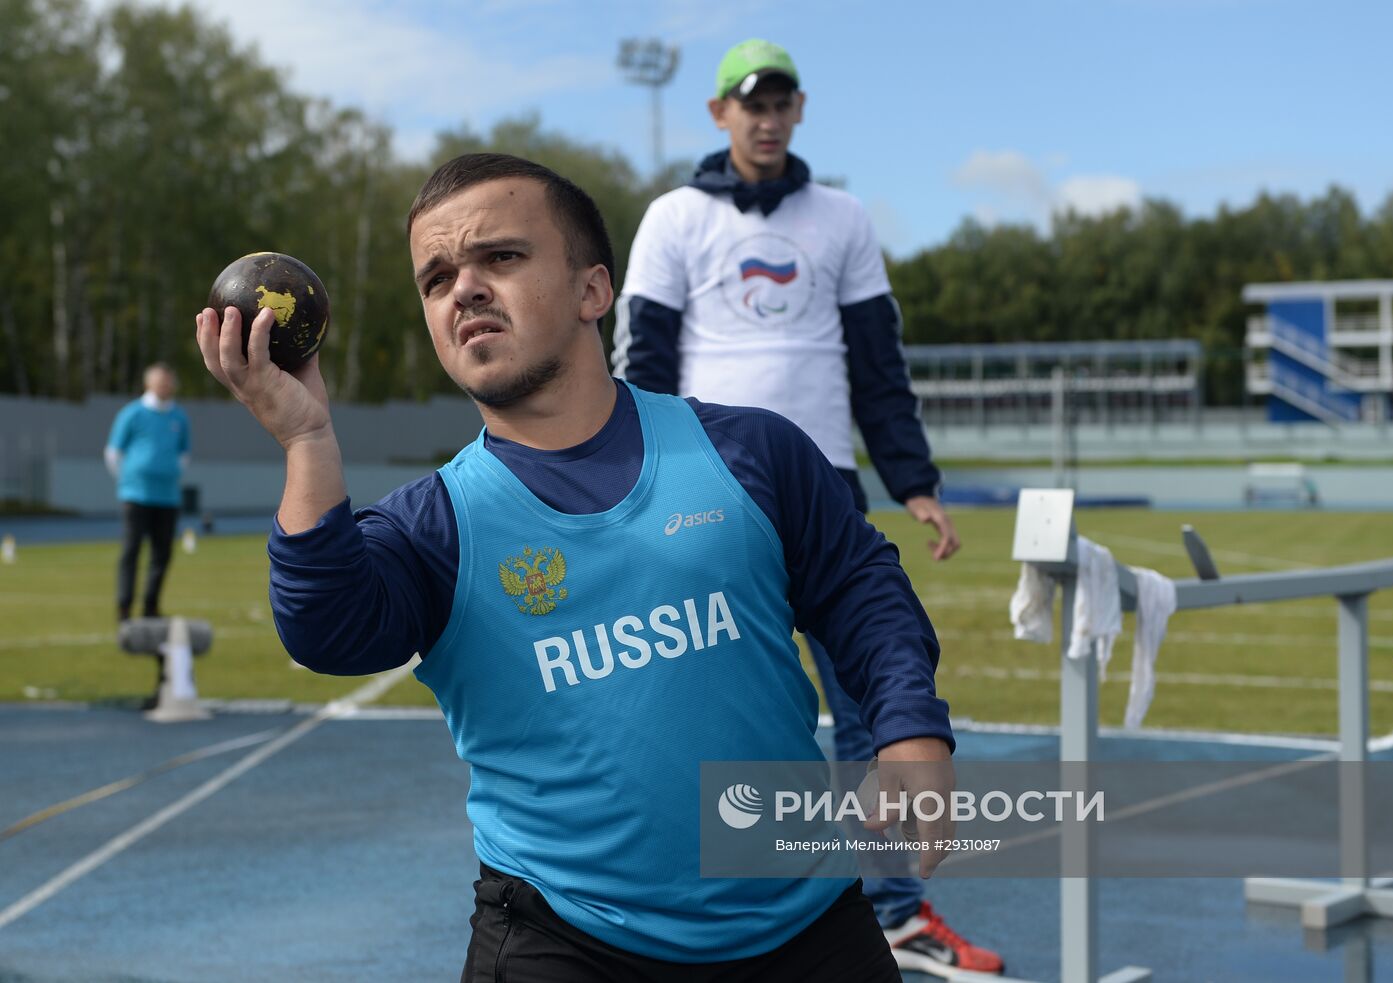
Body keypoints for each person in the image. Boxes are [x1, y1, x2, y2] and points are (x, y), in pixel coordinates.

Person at [195, 152, 958, 981]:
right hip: (566, 943)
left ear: (595, 290)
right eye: (438, 276)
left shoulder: (751, 449)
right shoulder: (434, 524)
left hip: (806, 929)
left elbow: (861, 589)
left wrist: (909, 723)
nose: (466, 288)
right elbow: (328, 632)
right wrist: (307, 440)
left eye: (502, 257)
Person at [613, 39, 1003, 978]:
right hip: (707, 486)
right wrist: (636, 480)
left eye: (782, 101)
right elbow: (641, 368)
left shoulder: (844, 217)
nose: (768, 117)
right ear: (718, 114)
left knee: (867, 699)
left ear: (799, 110)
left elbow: (877, 363)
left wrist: (914, 480)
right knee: (691, 700)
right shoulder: (674, 217)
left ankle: (896, 910)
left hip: (825, 483)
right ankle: (685, 903)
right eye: (751, 103)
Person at [105, 363, 190, 623]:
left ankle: (151, 606)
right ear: (149, 384)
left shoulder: (179, 417)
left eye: (169, 381)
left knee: (162, 553)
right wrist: (129, 480)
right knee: (131, 551)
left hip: (167, 497)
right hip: (136, 496)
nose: (166, 386)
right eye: (161, 381)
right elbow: (113, 453)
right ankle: (124, 607)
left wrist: (171, 473)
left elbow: (183, 454)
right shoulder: (132, 414)